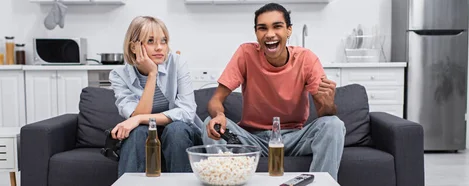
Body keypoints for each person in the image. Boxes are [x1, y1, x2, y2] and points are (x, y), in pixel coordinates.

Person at [202, 3, 346, 181]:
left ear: (289, 30)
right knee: (211, 123)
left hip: (294, 138)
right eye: (263, 28)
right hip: (252, 140)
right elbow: (215, 100)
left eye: (277, 26)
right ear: (256, 33)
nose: (270, 34)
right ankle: (223, 181)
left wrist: (329, 102)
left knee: (334, 124)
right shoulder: (246, 54)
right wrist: (218, 114)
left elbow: (325, 114)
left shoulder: (306, 59)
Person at [110, 16, 203, 177]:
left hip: (181, 134)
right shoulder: (119, 75)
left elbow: (187, 112)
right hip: (145, 135)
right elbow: (137, 118)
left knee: (176, 129)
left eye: (164, 41)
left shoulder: (177, 63)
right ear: (134, 47)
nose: (160, 47)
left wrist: (138, 119)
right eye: (151, 41)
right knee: (138, 132)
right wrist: (152, 74)